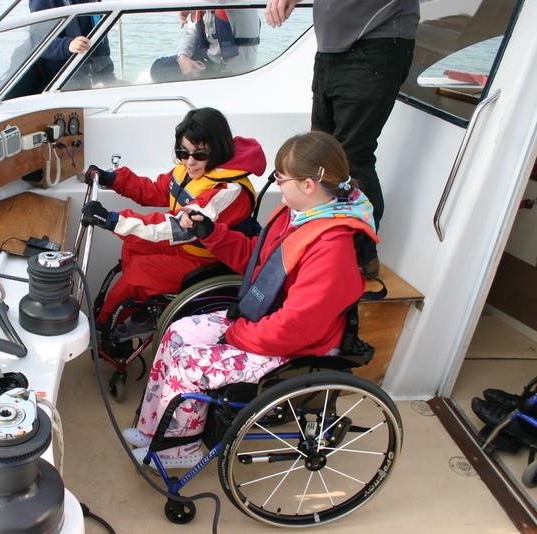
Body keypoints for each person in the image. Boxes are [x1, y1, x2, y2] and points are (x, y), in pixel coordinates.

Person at [120, 131, 378, 468]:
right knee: (177, 332)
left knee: (191, 364)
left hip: (294, 345)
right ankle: (154, 428)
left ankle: (180, 451)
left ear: (307, 185)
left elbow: (296, 327)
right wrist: (211, 233)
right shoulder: (298, 215)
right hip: (262, 321)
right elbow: (257, 262)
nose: (278, 186)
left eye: (280, 179)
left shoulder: (333, 248)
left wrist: (237, 334)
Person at [80, 107, 266, 337]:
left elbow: (177, 226)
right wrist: (113, 179)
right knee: (132, 246)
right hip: (184, 246)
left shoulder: (227, 190)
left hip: (205, 260)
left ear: (219, 150)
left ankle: (100, 329)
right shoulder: (191, 170)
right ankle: (142, 314)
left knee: (136, 276)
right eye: (183, 152)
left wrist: (112, 220)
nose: (190, 161)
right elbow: (156, 190)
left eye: (199, 154)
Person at [266, 0, 418, 274]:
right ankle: (318, 245)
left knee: (350, 157)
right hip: (330, 49)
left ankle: (360, 256)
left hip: (376, 42)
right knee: (317, 155)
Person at [6, 0, 114, 99]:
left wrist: (108, 78)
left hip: (82, 79)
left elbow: (101, 40)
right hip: (51, 83)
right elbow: (38, 39)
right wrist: (68, 46)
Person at [150, 9, 260, 83]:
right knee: (158, 68)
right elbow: (192, 31)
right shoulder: (204, 7)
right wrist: (182, 57)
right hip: (210, 61)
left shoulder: (235, 5)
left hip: (234, 71)